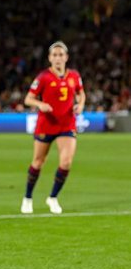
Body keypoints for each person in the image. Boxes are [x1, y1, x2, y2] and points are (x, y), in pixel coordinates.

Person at [21, 41, 85, 214]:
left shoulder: (74, 76)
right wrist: (40, 104)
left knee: (66, 162)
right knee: (38, 162)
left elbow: (80, 92)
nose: (58, 58)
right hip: (46, 124)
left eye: (61, 55)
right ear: (50, 58)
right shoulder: (43, 77)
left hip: (67, 123)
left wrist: (81, 104)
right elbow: (28, 99)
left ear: (66, 57)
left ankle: (53, 197)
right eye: (54, 55)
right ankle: (27, 197)